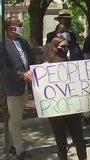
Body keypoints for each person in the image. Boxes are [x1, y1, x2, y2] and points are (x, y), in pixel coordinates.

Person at [44, 37, 87, 160]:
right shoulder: (47, 64)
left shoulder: (70, 62)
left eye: (67, 46)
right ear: (54, 47)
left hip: (72, 109)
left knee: (79, 139)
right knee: (61, 142)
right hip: (56, 111)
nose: (65, 49)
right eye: (62, 46)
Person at [3, 16, 33, 160]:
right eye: (18, 24)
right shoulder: (3, 44)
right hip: (13, 87)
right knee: (15, 119)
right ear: (10, 28)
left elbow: (30, 61)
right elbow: (4, 68)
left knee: (16, 118)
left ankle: (9, 145)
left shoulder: (23, 42)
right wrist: (20, 75)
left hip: (25, 86)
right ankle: (20, 151)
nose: (21, 26)